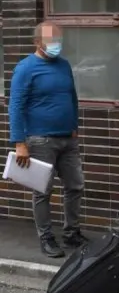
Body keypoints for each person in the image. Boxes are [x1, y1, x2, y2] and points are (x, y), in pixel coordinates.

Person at [8, 21, 87, 258]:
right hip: (40, 140)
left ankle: (71, 234)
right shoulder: (25, 68)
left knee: (75, 185)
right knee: (42, 191)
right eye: (51, 40)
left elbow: (71, 97)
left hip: (67, 139)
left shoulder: (64, 66)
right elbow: (16, 106)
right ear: (37, 42)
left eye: (58, 40)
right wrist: (19, 142)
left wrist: (74, 126)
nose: (56, 45)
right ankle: (46, 238)